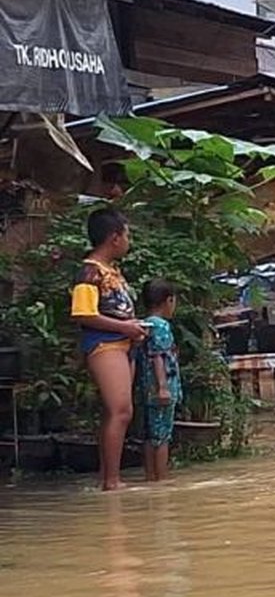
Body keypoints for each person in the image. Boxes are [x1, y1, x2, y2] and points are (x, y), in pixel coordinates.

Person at [71, 208, 148, 491]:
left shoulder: (109, 271)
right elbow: (83, 313)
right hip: (105, 344)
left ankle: (109, 476)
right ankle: (112, 481)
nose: (129, 241)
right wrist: (126, 328)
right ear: (114, 238)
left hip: (121, 343)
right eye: (127, 235)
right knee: (120, 410)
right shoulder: (90, 271)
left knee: (118, 410)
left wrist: (132, 328)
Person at [135, 280, 182, 483]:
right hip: (161, 387)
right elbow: (158, 356)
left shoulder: (145, 324)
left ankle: (150, 477)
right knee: (162, 436)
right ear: (168, 301)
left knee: (149, 436)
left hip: (146, 388)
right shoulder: (161, 326)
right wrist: (163, 387)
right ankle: (162, 480)